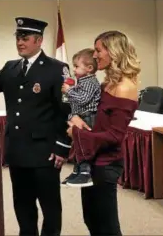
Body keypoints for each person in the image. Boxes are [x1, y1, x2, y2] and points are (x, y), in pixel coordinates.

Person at [0, 17, 71, 236]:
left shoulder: (57, 69)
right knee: (23, 204)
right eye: (18, 37)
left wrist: (62, 146)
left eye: (25, 38)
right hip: (18, 150)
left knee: (50, 206)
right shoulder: (11, 68)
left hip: (45, 151)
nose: (20, 42)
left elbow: (65, 111)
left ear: (38, 41)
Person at [66, 30, 140, 236]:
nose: (95, 55)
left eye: (98, 50)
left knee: (107, 227)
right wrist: (78, 120)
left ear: (114, 52)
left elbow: (115, 136)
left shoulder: (125, 88)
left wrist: (77, 134)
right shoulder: (108, 83)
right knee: (91, 219)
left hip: (106, 163)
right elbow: (96, 119)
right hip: (93, 158)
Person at [60, 48, 101, 187]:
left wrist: (69, 91)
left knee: (84, 146)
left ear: (89, 68)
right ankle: (77, 170)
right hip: (79, 117)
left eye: (77, 66)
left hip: (88, 118)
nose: (74, 69)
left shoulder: (90, 82)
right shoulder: (82, 81)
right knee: (77, 145)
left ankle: (85, 173)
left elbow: (83, 99)